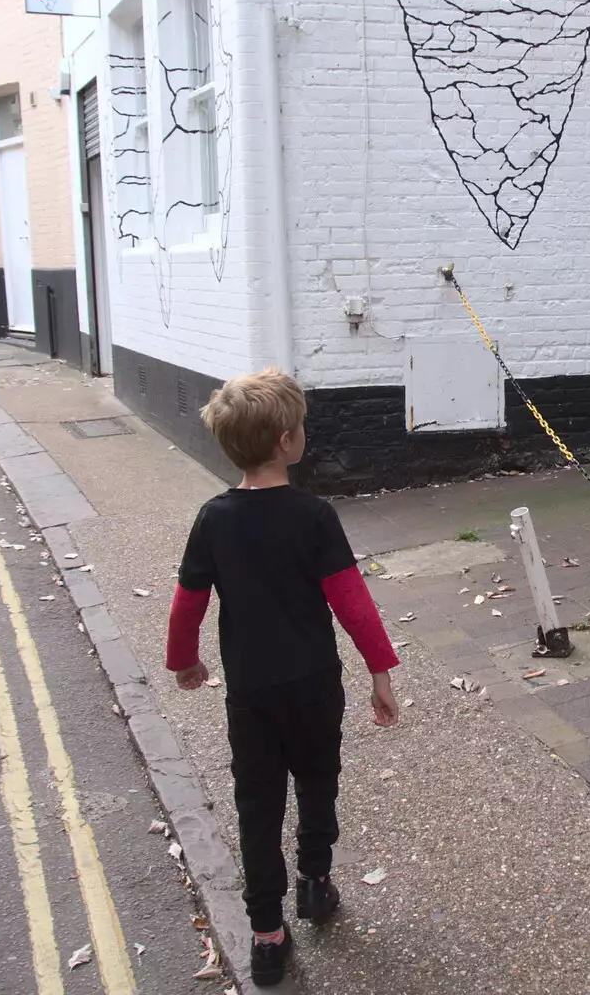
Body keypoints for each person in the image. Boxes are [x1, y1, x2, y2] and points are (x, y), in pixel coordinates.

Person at [164, 369, 400, 987]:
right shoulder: (314, 516)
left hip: (251, 692)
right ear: (288, 441)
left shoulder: (213, 519)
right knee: (319, 781)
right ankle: (316, 883)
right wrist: (380, 671)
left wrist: (185, 661)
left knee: (258, 805)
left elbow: (188, 600)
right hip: (315, 684)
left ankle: (266, 936)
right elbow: (353, 603)